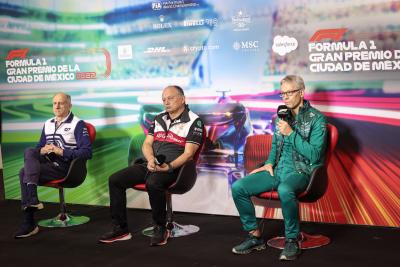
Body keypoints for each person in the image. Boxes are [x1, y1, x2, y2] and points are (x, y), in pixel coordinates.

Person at [231, 75, 327, 260]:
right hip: (277, 170)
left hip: (302, 171)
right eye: (282, 94)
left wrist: (290, 133)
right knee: (239, 187)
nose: (285, 98)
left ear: (301, 92)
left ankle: (291, 240)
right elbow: (275, 146)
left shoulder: (317, 119)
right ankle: (254, 236)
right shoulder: (281, 116)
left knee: (285, 189)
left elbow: (315, 155)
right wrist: (268, 163)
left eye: (289, 93)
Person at [99, 85, 204, 246]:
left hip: (176, 169)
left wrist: (169, 167)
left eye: (170, 98)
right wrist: (149, 159)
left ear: (182, 99)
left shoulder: (194, 121)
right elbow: (147, 144)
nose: (166, 102)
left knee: (153, 183)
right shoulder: (159, 118)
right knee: (115, 180)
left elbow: (189, 154)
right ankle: (121, 229)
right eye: (163, 99)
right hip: (150, 164)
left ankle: (160, 228)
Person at [14, 92, 92, 238]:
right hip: (48, 162)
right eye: (54, 103)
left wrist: (61, 151)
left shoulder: (78, 124)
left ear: (69, 105)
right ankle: (32, 200)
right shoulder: (48, 123)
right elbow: (39, 147)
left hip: (66, 167)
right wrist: (42, 150)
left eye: (61, 103)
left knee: (23, 172)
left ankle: (29, 222)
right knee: (30, 151)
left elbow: (87, 152)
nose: (57, 106)